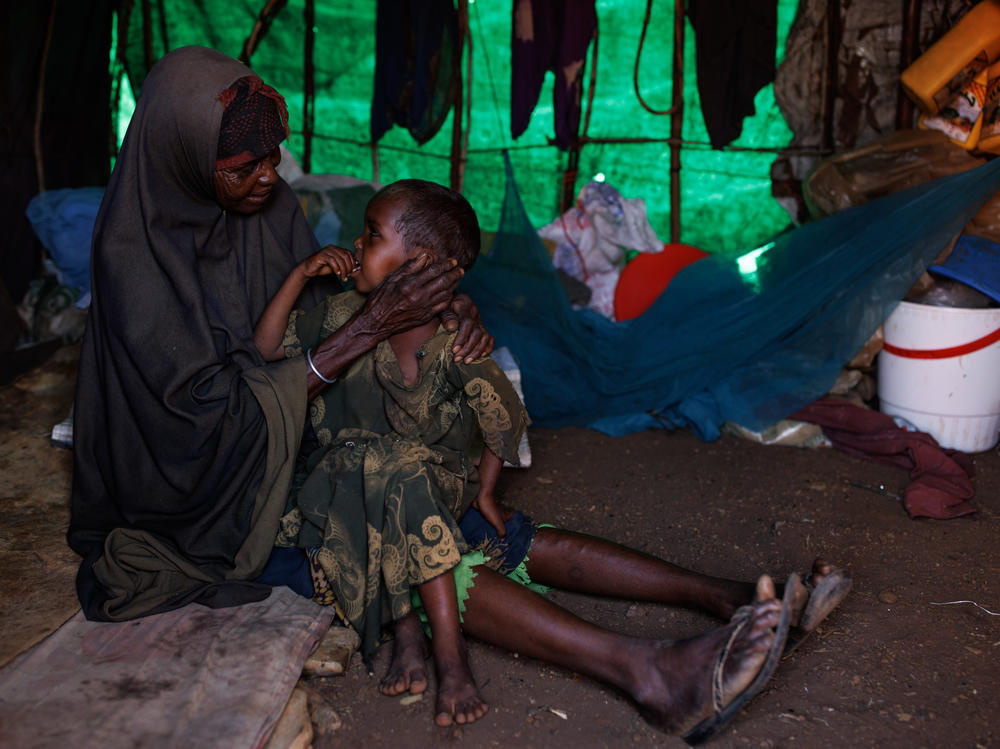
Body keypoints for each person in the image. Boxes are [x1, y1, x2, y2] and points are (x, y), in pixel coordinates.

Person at [67, 45, 851, 743]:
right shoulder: (134, 262)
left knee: (479, 520)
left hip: (308, 439)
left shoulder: (263, 209)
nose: (268, 178)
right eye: (242, 167)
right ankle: (648, 674)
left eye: (273, 158)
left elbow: (330, 313)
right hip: (204, 501)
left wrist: (436, 314)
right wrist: (368, 330)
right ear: (178, 155)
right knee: (408, 542)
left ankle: (730, 597)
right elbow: (199, 427)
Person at [253, 179, 525, 727]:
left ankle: (447, 655)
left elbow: (505, 417)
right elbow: (265, 352)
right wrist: (299, 275)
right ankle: (408, 632)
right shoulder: (341, 316)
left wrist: (488, 492)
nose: (355, 243)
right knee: (373, 466)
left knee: (395, 468)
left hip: (426, 489)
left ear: (421, 263)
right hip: (342, 489)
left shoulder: (455, 340)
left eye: (372, 235)